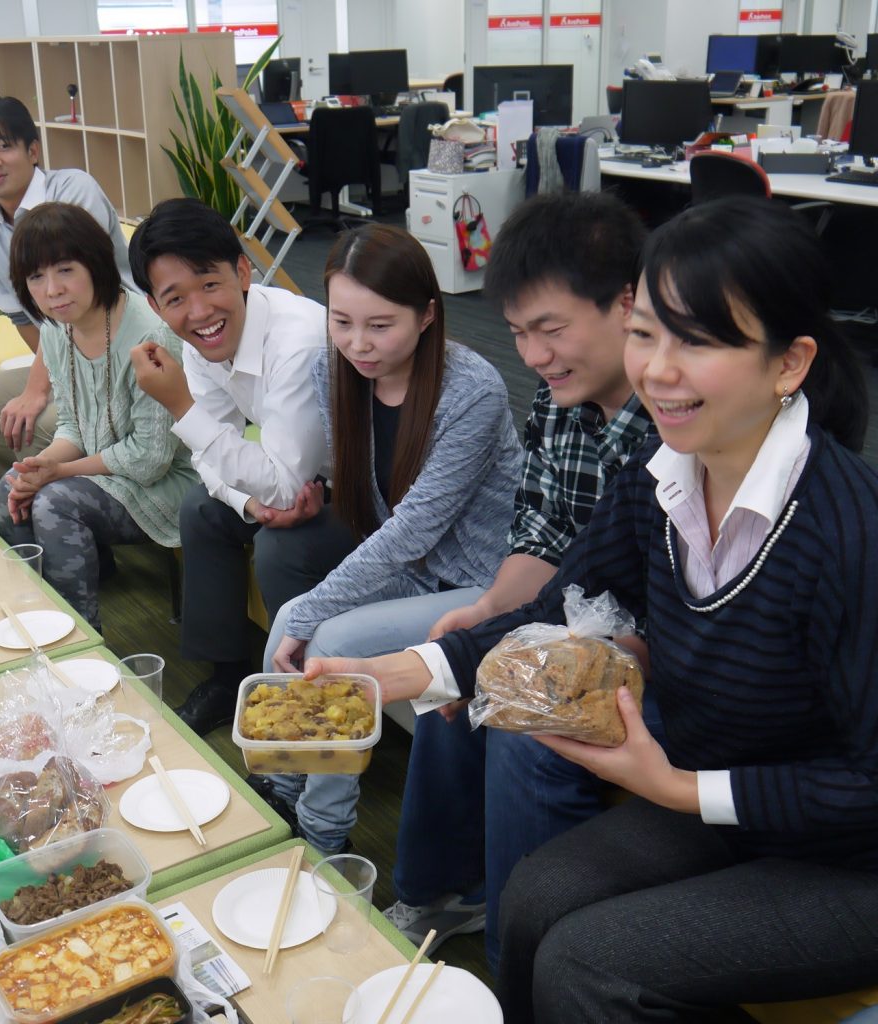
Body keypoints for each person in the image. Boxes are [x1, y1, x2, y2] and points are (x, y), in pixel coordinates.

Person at [309, 196, 878, 1022]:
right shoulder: (665, 478)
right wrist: (400, 672)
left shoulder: (847, 532)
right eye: (647, 333)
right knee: (537, 896)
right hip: (716, 795)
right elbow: (556, 605)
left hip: (844, 859)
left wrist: (680, 792)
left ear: (788, 363)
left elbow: (866, 785)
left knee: (588, 965)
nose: (658, 369)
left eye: (699, 340)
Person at [383, 191, 653, 966]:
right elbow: (540, 532)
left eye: (551, 329)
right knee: (457, 663)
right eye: (517, 333)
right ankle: (438, 892)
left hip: (657, 642)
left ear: (627, 303)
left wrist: (524, 650)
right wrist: (491, 611)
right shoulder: (562, 398)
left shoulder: (678, 412)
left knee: (521, 720)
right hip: (578, 616)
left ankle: (520, 958)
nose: (534, 355)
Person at [257, 223, 522, 854]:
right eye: (342, 322)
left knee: (328, 633)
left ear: (428, 314)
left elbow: (414, 527)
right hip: (415, 567)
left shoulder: (472, 389)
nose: (358, 344)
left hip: (482, 580)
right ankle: (285, 789)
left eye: (380, 325)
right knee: (296, 619)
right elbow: (376, 510)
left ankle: (323, 835)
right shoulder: (336, 370)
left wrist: (320, 602)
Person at [128, 197, 349, 734]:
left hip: (367, 488)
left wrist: (180, 405)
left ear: (244, 271)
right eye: (175, 297)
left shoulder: (296, 343)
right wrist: (245, 501)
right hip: (296, 477)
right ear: (157, 308)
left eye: (210, 284)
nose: (199, 311)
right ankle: (228, 676)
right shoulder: (202, 344)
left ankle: (310, 696)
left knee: (280, 547)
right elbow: (218, 455)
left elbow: (283, 480)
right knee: (203, 508)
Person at [0, 202, 195, 631]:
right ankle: (39, 620)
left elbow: (150, 459)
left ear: (96, 263)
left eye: (65, 269)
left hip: (170, 486)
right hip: (108, 475)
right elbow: (74, 424)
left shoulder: (150, 336)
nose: (52, 290)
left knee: (53, 502)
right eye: (36, 277)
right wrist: (41, 465)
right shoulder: (54, 330)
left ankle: (79, 640)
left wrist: (59, 472)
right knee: (13, 485)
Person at [0, 90, 134, 481]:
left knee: (46, 420)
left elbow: (87, 303)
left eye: (3, 146)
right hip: (68, 359)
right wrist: (58, 382)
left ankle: (86, 494)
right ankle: (28, 493)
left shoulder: (72, 191)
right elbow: (24, 315)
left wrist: (37, 390)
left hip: (123, 352)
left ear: (33, 150)